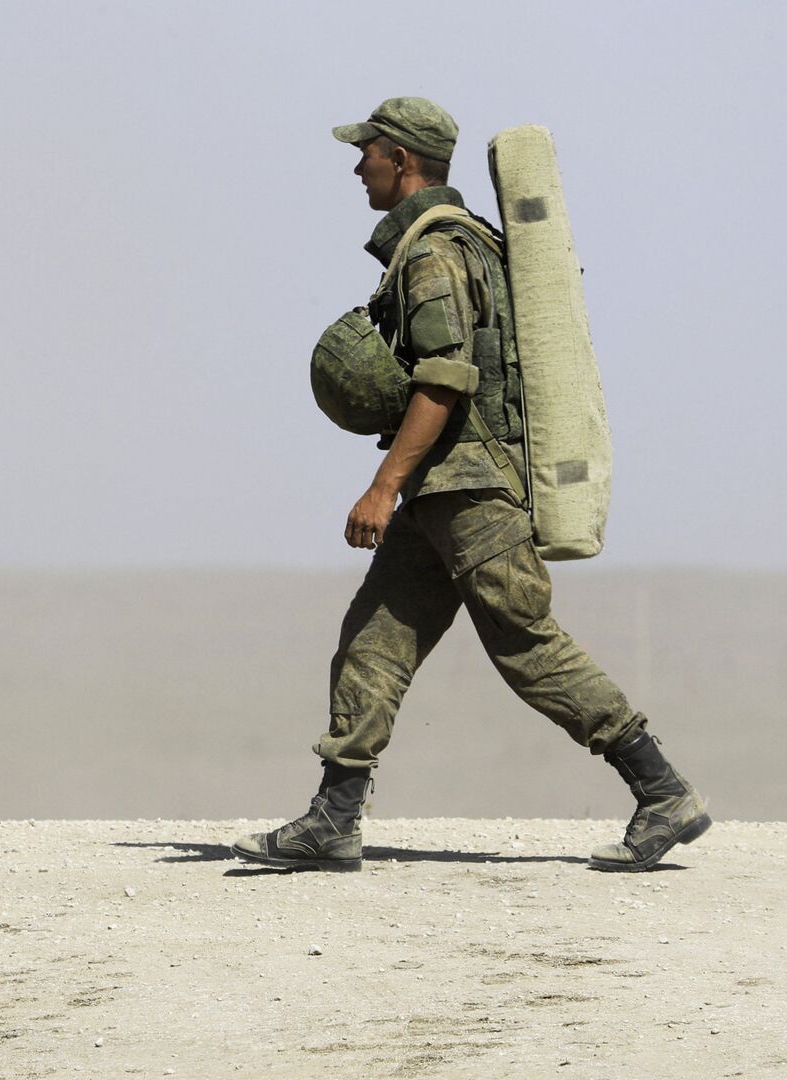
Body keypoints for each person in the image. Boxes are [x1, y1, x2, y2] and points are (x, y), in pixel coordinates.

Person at [233, 98, 710, 874]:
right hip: (442, 493)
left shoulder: (434, 255)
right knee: (372, 645)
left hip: (470, 492)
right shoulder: (462, 244)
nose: (359, 167)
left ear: (405, 161)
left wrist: (382, 486)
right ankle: (334, 816)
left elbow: (446, 380)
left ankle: (661, 791)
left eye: (370, 152)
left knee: (526, 645)